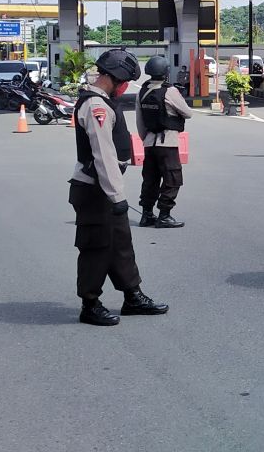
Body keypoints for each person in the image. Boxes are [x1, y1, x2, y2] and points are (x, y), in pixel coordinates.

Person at [68, 49, 168, 327]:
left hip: (105, 187)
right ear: (116, 79)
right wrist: (116, 195)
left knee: (121, 244)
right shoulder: (96, 106)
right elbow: (103, 154)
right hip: (95, 189)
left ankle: (132, 296)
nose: (125, 88)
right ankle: (90, 304)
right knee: (96, 247)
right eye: (125, 82)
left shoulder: (102, 102)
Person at [135, 55, 192, 229]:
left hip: (149, 143)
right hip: (167, 142)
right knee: (172, 179)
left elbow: (140, 121)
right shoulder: (170, 91)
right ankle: (164, 215)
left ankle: (147, 214)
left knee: (150, 179)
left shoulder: (142, 91)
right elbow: (188, 113)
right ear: (166, 72)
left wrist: (145, 138)